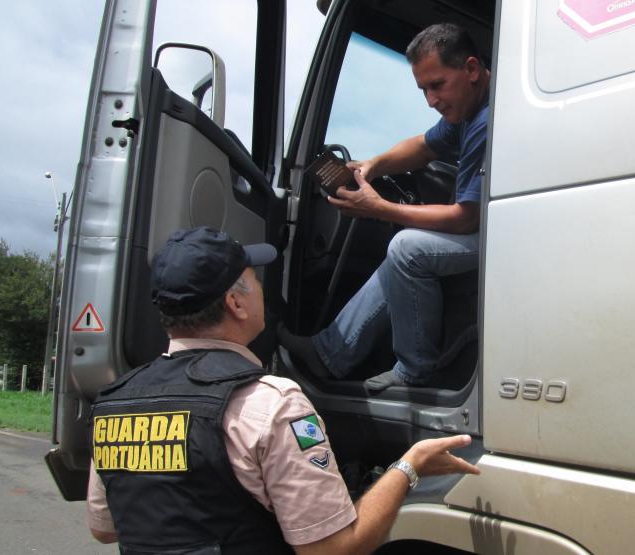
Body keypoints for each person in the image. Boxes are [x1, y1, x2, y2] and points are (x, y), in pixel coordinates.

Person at [86, 226, 479, 554]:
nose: (261, 289)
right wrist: (409, 467)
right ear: (235, 303)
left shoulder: (115, 401)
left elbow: (104, 528)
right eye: (255, 280)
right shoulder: (269, 404)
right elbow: (335, 549)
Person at [279, 22, 490, 392]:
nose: (431, 100)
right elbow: (423, 146)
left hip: (507, 237)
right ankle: (329, 352)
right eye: (423, 89)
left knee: (407, 248)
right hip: (493, 229)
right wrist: (371, 166)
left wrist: (381, 208)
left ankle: (415, 372)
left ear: (471, 69)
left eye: (437, 85)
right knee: (404, 252)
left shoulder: (489, 119)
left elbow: (465, 218)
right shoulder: (468, 113)